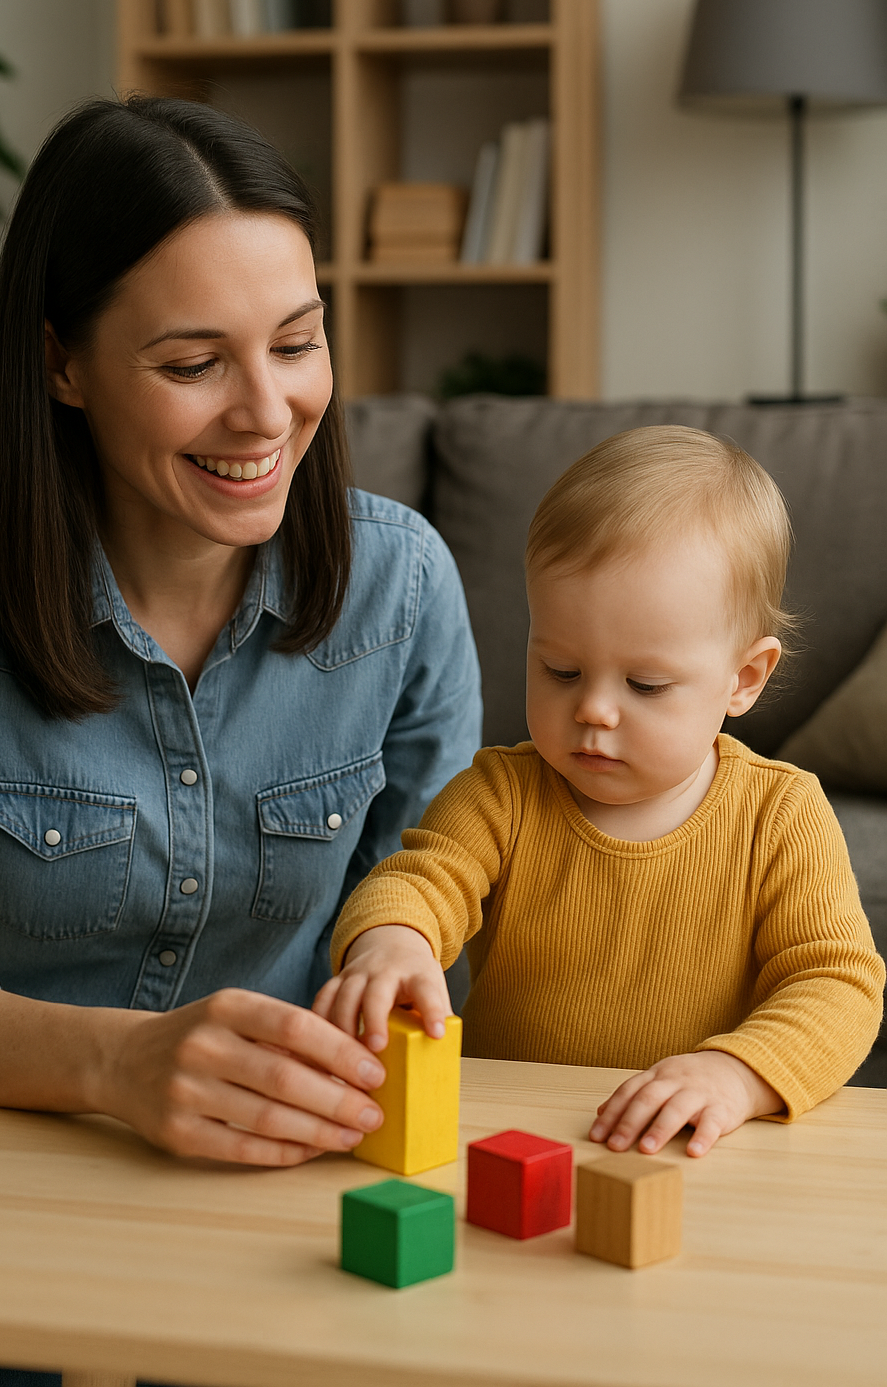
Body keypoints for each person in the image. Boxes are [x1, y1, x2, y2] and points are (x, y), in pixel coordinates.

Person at [0, 97, 482, 1179]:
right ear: (62, 364)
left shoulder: (406, 585)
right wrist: (119, 1065)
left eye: (296, 343)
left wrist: (401, 942)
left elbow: (435, 881)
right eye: (195, 365)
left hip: (287, 1165)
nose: (268, 412)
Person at [317, 426, 885, 1158]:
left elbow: (837, 984)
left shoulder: (780, 815)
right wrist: (392, 941)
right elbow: (419, 882)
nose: (593, 710)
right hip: (509, 1137)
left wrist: (737, 1075)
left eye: (645, 684)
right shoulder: (500, 795)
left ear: (744, 680)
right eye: (561, 670)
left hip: (692, 1148)